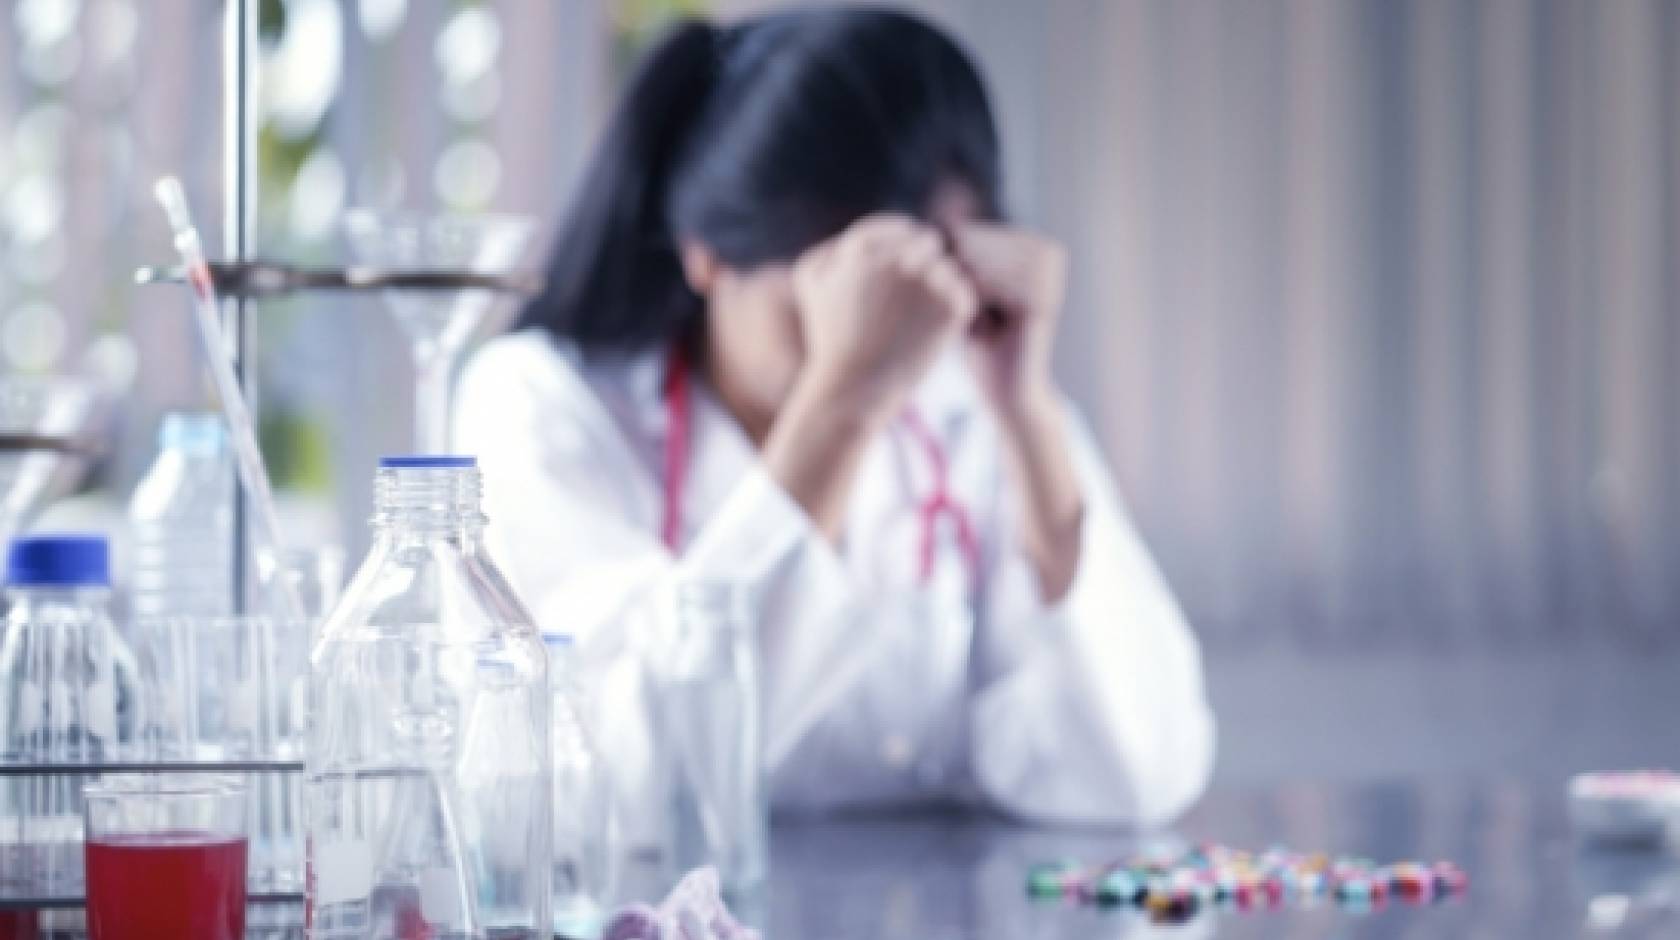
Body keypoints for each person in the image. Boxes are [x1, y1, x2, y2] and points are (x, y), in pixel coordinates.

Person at [455, 8, 1213, 828]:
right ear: (705, 252)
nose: (894, 350)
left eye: (916, 308)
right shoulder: (543, 404)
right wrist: (843, 399)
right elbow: (622, 790)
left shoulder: (972, 406)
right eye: (844, 307)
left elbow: (1142, 777)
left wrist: (1027, 411)